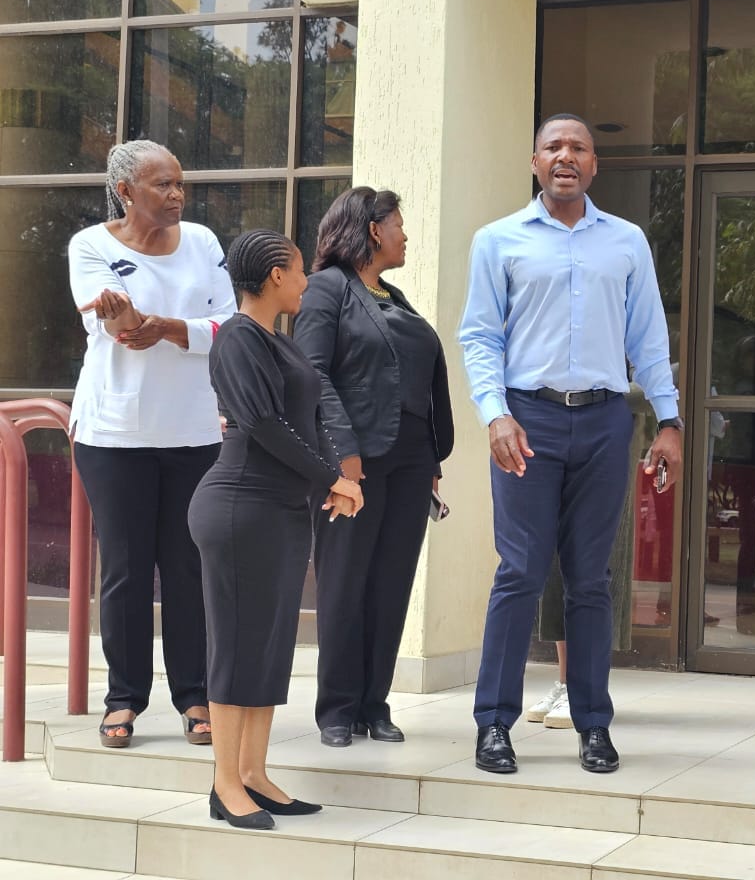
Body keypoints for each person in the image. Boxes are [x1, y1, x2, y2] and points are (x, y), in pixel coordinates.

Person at [459, 112, 681, 775]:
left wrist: (668, 421)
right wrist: (495, 414)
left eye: (578, 147)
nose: (565, 155)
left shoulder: (626, 242)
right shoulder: (497, 240)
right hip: (527, 419)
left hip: (606, 420)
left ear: (593, 165)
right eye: (553, 146)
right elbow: (480, 336)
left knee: (590, 578)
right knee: (520, 571)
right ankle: (493, 725)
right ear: (535, 162)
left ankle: (593, 725)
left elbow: (649, 338)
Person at [188, 229, 364, 830]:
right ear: (275, 276)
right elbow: (265, 425)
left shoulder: (278, 341)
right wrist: (333, 479)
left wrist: (336, 480)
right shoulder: (237, 337)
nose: (307, 280)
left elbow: (310, 421)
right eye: (300, 269)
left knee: (268, 644)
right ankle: (224, 784)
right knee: (237, 644)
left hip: (282, 510)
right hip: (241, 507)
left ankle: (254, 773)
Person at [69, 139, 235, 750]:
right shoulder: (90, 246)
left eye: (179, 183)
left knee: (189, 567)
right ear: (125, 191)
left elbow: (230, 324)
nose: (176, 194)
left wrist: (168, 328)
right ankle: (124, 699)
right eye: (162, 184)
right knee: (126, 570)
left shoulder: (203, 242)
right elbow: (112, 323)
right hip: (114, 434)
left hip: (193, 430)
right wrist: (124, 317)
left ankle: (194, 696)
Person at [293, 187, 455, 748]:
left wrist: (432, 456)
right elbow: (313, 373)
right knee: (345, 581)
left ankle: (373, 705)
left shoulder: (395, 297)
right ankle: (337, 709)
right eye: (399, 225)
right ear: (371, 229)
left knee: (391, 583)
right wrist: (344, 456)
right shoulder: (327, 289)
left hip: (411, 459)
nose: (405, 235)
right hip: (353, 461)